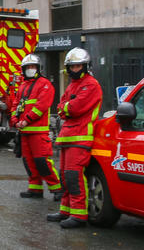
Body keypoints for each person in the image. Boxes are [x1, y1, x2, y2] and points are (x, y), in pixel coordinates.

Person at [47, 47, 102, 229]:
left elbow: (74, 108)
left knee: (73, 176)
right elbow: (61, 106)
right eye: (72, 66)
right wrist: (66, 108)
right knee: (64, 176)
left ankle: (79, 215)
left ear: (85, 66)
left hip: (80, 137)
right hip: (67, 136)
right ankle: (65, 210)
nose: (74, 69)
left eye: (78, 66)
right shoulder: (72, 85)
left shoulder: (91, 84)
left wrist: (66, 108)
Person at [10, 54, 62, 201]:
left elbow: (41, 106)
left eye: (33, 67)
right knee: (29, 162)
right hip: (24, 132)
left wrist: (25, 120)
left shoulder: (45, 84)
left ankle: (57, 188)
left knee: (42, 161)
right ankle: (35, 188)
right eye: (28, 67)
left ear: (39, 68)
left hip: (38, 131)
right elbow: (15, 105)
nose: (30, 69)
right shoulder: (22, 86)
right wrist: (15, 120)